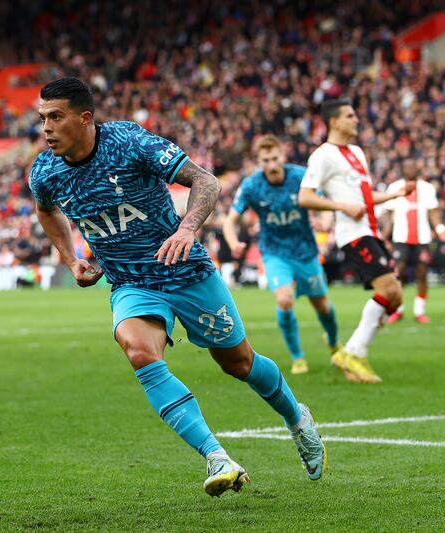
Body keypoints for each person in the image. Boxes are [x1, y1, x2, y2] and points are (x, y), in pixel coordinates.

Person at [29, 77, 326, 497]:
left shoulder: (130, 144)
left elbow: (207, 181)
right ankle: (217, 456)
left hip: (186, 272)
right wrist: (71, 257)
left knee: (238, 363)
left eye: (55, 117)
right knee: (137, 350)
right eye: (42, 118)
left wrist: (187, 229)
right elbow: (46, 212)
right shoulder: (46, 171)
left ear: (85, 118)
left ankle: (298, 419)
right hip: (131, 283)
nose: (46, 128)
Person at [298, 98, 413, 384]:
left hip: (371, 230)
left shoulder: (357, 153)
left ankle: (350, 353)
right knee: (389, 289)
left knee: (395, 295)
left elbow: (364, 197)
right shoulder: (323, 155)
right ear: (334, 121)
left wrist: (393, 195)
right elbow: (305, 197)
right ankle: (354, 352)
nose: (356, 120)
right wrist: (342, 207)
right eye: (350, 116)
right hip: (354, 234)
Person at [223, 134, 339, 375]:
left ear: (283, 156)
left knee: (322, 305)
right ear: (259, 161)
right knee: (284, 300)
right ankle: (298, 357)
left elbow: (325, 202)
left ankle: (335, 344)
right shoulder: (252, 185)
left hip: (306, 251)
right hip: (275, 253)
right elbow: (230, 221)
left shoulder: (300, 176)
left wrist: (325, 221)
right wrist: (233, 241)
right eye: (265, 160)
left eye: (275, 158)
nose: (271, 164)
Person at [382, 159, 445, 324]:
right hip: (401, 238)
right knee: (399, 272)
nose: (410, 169)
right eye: (406, 166)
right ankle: (398, 309)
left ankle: (419, 311)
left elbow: (433, 212)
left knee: (422, 273)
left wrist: (440, 229)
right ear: (402, 169)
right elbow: (388, 213)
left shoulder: (427, 188)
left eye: (412, 166)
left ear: (417, 168)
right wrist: (385, 233)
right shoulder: (395, 188)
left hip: (422, 238)